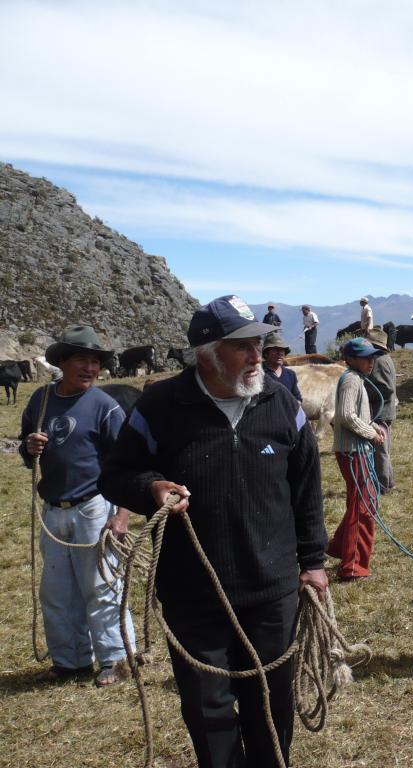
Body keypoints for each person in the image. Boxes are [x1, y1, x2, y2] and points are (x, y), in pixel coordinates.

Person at [98, 295, 326, 768]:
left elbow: (307, 489)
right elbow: (116, 475)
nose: (256, 356)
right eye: (242, 346)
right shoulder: (161, 405)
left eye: (258, 344)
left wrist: (314, 563)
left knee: (271, 704)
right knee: (209, 711)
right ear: (207, 354)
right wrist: (151, 487)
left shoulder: (280, 402)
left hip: (272, 589)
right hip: (193, 591)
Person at [19, 325, 136, 688]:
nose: (89, 368)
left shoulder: (105, 407)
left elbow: (126, 465)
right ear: (63, 363)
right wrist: (29, 449)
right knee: (56, 589)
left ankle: (114, 659)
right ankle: (69, 660)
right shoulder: (39, 401)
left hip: (93, 506)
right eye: (81, 360)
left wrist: (121, 515)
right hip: (53, 508)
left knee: (101, 585)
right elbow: (27, 456)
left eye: (95, 362)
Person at [327, 338, 386, 580]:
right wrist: (371, 433)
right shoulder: (351, 379)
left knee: (360, 502)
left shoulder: (356, 378)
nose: (371, 361)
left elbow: (353, 415)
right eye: (365, 357)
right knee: (364, 505)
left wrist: (373, 426)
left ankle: (339, 548)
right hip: (353, 452)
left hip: (355, 450)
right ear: (350, 359)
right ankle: (353, 567)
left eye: (372, 356)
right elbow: (346, 416)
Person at [365, 328, 398, 493]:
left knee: (380, 451)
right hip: (385, 411)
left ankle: (382, 486)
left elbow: (386, 389)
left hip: (380, 412)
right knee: (383, 450)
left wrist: (363, 391)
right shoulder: (385, 358)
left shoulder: (379, 361)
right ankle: (388, 482)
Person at [262, 330, 302, 402]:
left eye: (282, 350)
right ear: (266, 353)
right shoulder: (259, 374)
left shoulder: (290, 375)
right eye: (275, 349)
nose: (280, 353)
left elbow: (297, 398)